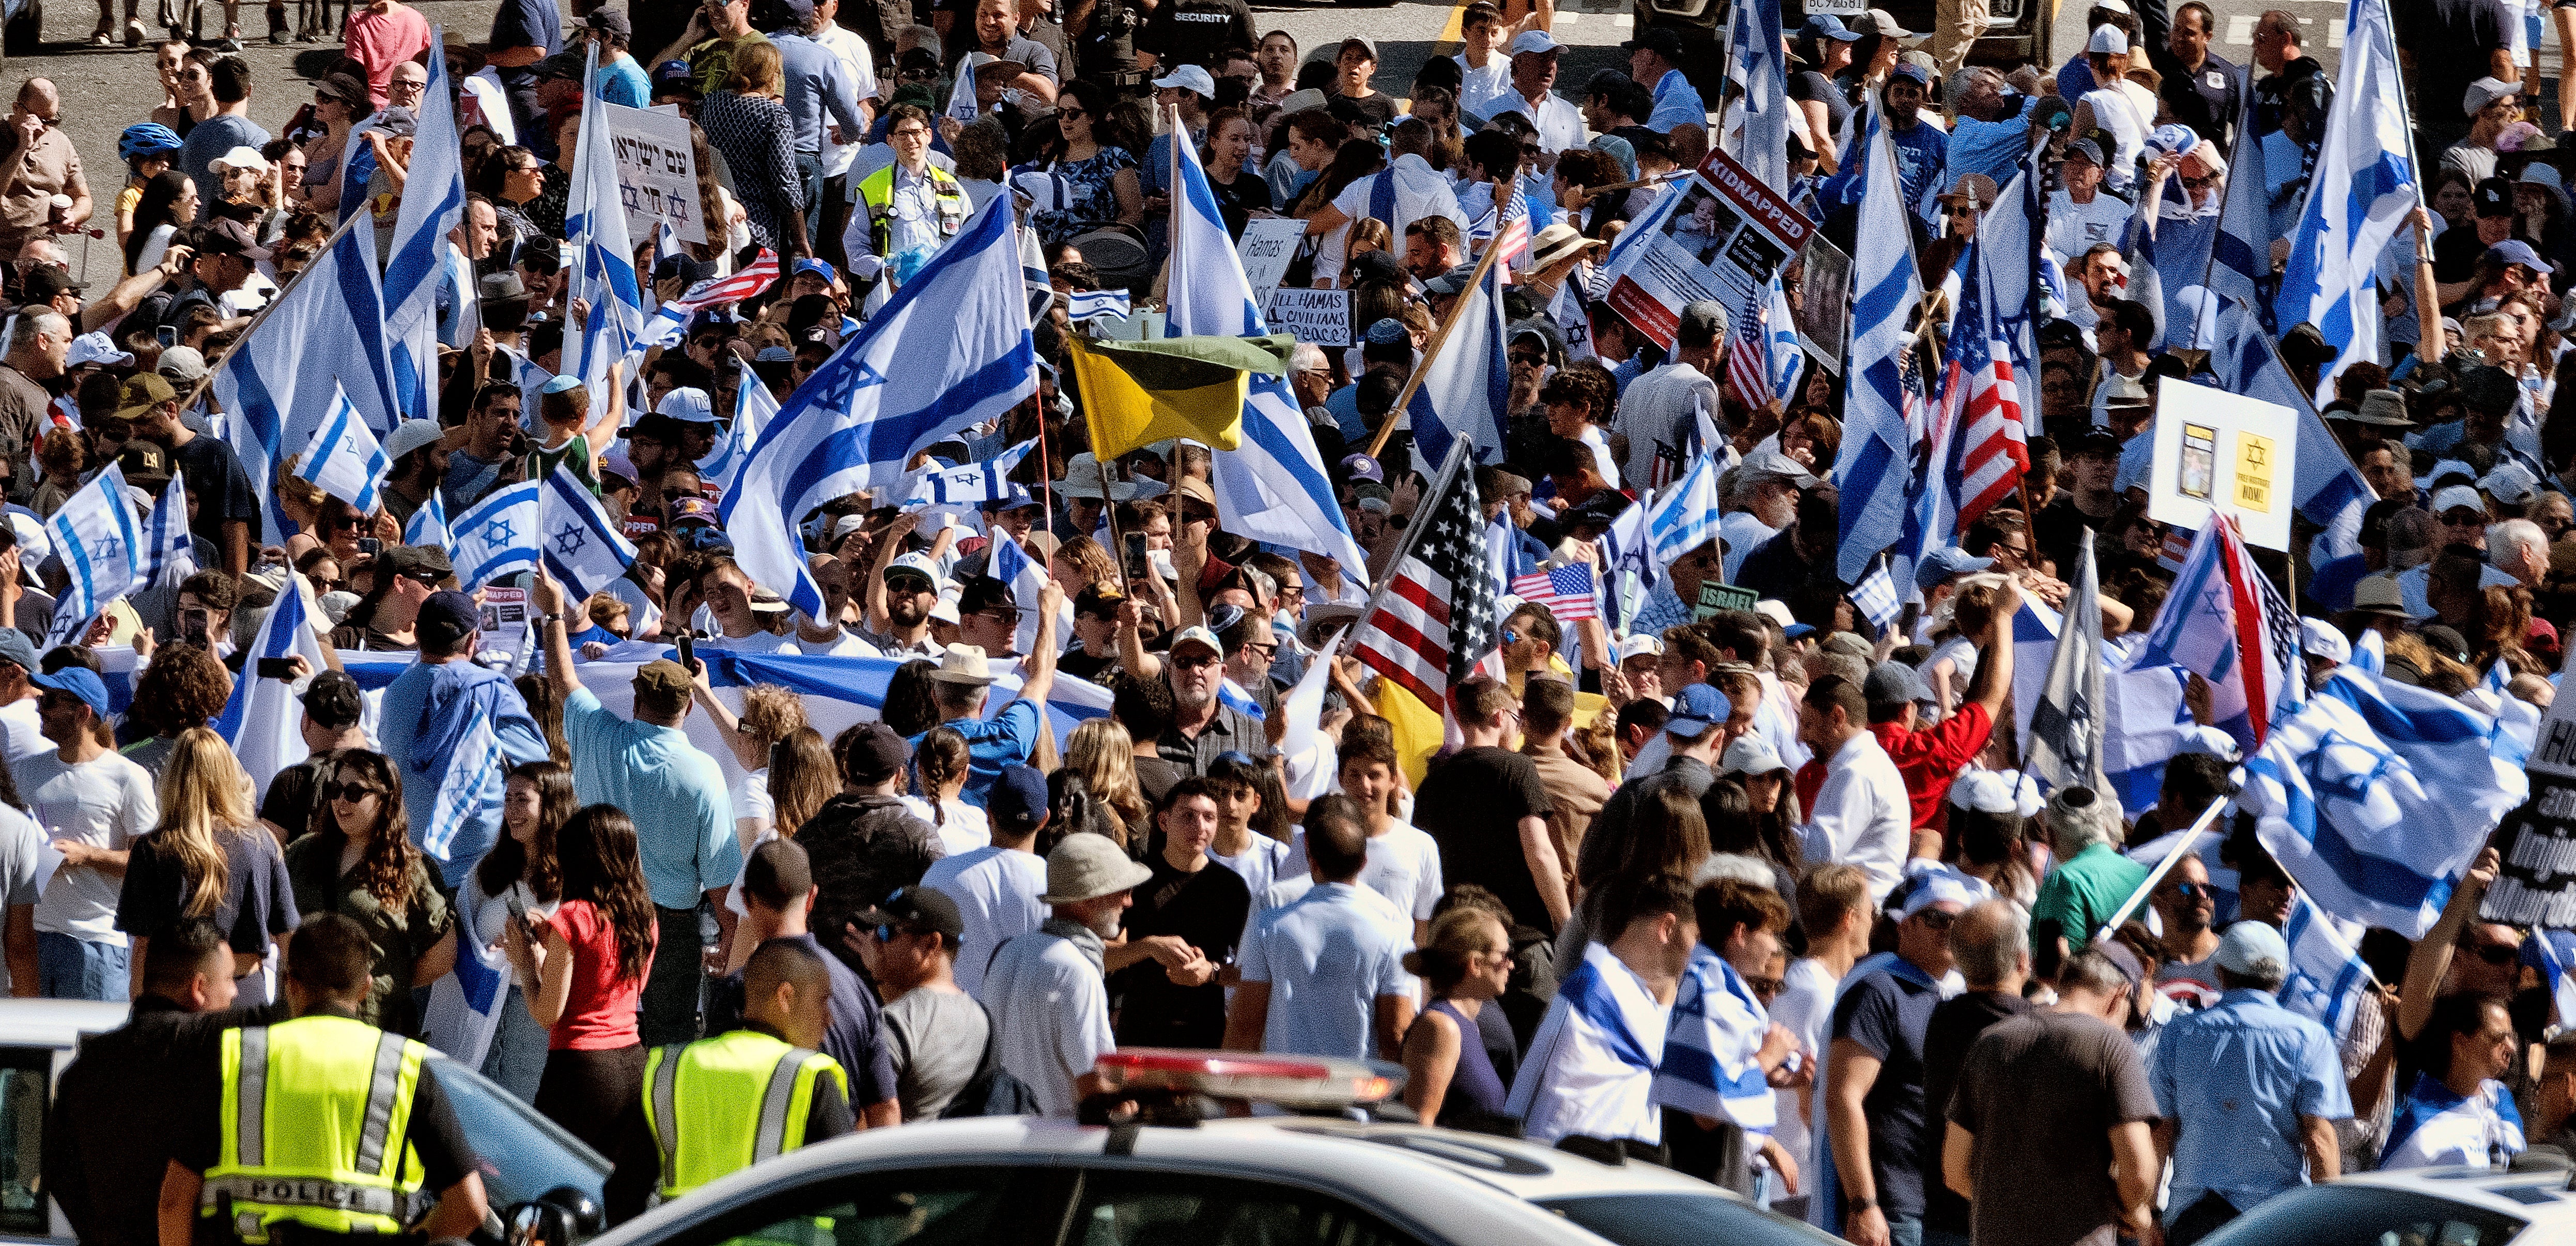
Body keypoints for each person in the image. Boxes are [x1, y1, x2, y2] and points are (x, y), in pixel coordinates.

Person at [158, 913, 489, 1245]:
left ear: (290, 984)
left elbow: (174, 1204)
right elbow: (470, 1205)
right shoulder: (401, 1066)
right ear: (366, 988)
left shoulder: (237, 1056)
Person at [535, 567, 741, 1048]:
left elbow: (562, 678)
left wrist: (552, 615)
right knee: (667, 1045)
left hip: (593, 912)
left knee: (594, 1028)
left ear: (634, 699)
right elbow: (720, 881)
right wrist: (729, 942)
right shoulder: (704, 773)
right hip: (670, 929)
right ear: (688, 708)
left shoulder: (599, 734)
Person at [601, 940, 852, 1225]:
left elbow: (622, 1194)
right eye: (822, 1001)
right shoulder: (813, 1077)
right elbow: (847, 1197)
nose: (830, 1019)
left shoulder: (671, 1068)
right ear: (785, 997)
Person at [43, 919, 250, 1246]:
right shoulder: (212, 1057)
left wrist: (103, 1233)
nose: (236, 992)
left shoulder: (83, 1072)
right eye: (229, 979)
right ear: (198, 989)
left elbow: (58, 1172)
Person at [2150, 920, 2350, 1246]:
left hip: (2194, 1219)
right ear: (2281, 978)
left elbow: (2161, 1134)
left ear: (2221, 973)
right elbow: (2319, 1139)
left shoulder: (2179, 1034)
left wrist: (2147, 1215)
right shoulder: (2309, 1039)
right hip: (2275, 1219)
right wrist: (2329, 1229)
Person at [1943, 948, 2161, 1246]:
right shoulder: (2111, 1046)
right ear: (2119, 996)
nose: (2126, 1029)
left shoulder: (1990, 1041)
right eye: (2129, 1019)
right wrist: (2133, 1212)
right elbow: (2139, 1170)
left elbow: (1955, 1170)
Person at [1811, 868, 1980, 1242]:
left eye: (1961, 921)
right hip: (1888, 1205)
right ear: (1906, 927)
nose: (1950, 930)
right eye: (1938, 919)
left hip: (1932, 1204)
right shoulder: (1878, 989)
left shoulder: (1947, 994)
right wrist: (1863, 1203)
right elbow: (1843, 1098)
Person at [704, 838, 900, 1128]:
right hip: (836, 1166)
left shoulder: (737, 993)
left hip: (766, 1167)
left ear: (745, 900)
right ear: (812, 898)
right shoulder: (856, 991)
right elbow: (885, 1110)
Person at [1507, 870, 1697, 1163]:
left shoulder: (1629, 993)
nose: (1698, 952)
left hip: (1604, 1178)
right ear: (1668, 928)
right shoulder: (1596, 993)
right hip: (1565, 1177)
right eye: (1697, 937)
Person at [508, 804, 657, 1158]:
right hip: (634, 1064)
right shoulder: (644, 915)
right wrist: (553, 946)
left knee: (551, 1181)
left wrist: (527, 964)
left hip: (580, 1071)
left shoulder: (574, 916)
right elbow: (624, 988)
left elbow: (548, 1013)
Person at [378, 590, 549, 890]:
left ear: (416, 634)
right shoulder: (493, 691)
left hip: (414, 865)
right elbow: (539, 771)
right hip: (484, 871)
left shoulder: (394, 693)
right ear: (474, 640)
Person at [1227, 795, 1415, 1062]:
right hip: (1354, 1096)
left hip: (1278, 1096)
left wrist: (1236, 1100)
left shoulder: (1268, 926)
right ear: (1364, 862)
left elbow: (1245, 1026)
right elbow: (1396, 1035)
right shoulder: (1393, 932)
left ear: (1311, 859)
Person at [285, 750, 457, 1036]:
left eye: (354, 792)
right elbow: (274, 919)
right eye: (335, 790)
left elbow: (444, 952)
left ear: (384, 799)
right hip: (299, 1016)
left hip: (368, 1025)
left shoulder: (410, 869)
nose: (341, 801)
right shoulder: (303, 852)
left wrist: (390, 981)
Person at [113, 727, 293, 996]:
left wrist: (140, 1009)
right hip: (243, 989)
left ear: (174, 777)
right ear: (229, 774)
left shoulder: (153, 848)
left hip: (175, 996)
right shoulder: (262, 843)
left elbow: (143, 945)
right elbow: (287, 935)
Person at [17, 665, 157, 999]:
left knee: (91, 1052)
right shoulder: (26, 770)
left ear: (82, 713)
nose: (39, 707)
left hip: (96, 945)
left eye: (50, 700)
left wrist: (88, 855)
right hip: (31, 939)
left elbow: (150, 867)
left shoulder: (128, 777)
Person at [984, 832, 1149, 1117]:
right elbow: (1095, 1081)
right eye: (1121, 891)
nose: (1129, 901)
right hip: (1058, 1146)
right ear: (1085, 901)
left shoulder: (1008, 953)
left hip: (1001, 1141)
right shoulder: (1076, 971)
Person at [1657, 877, 1799, 1196]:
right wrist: (1768, 1057)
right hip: (1702, 1180)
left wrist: (1784, 1076)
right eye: (1769, 934)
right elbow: (1706, 1112)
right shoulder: (1713, 998)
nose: (1776, 946)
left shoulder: (1702, 983)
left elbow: (1718, 1073)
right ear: (1740, 934)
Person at [460, 760, 571, 1102]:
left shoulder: (573, 879)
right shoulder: (488, 869)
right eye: (507, 799)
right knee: (477, 1106)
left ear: (551, 806)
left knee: (522, 1115)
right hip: (482, 1004)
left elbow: (579, 953)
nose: (511, 810)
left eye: (522, 800)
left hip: (536, 1012)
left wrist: (538, 955)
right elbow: (461, 930)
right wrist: (486, 949)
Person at [1110, 778, 1248, 1049]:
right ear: (1164, 822)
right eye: (1188, 816)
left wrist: (1212, 972)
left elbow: (1253, 971)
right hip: (1141, 1036)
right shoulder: (1134, 879)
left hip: (1204, 1036)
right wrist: (1148, 947)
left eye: (1209, 817)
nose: (1200, 827)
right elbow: (1100, 956)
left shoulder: (1231, 889)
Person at [855, 884, 989, 1120]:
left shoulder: (896, 1023)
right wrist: (881, 973)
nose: (876, 941)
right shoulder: (982, 1016)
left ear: (931, 945)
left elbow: (870, 1120)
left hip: (907, 1156)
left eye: (887, 931)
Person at [919, 763, 1049, 1002]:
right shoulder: (1059, 888)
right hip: (1027, 1030)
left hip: (955, 1029)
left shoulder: (942, 874)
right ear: (1044, 819)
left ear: (988, 814)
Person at [1399, 904, 1517, 1133]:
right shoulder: (1441, 1027)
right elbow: (1419, 1126)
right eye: (1505, 955)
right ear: (1475, 964)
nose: (1511, 965)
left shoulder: (1469, 1024)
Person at [1797, 673, 1911, 905]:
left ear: (1837, 717)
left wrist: (1766, 829)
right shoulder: (1861, 765)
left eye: (1808, 724)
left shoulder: (1858, 771)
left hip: (1856, 910)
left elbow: (1821, 852)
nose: (1801, 736)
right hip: (1854, 905)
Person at [2380, 992, 2525, 1170]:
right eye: (2497, 1038)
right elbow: (2386, 1191)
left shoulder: (2500, 1096)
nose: (2512, 1047)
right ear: (2460, 1042)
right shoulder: (2421, 1131)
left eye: (2511, 1037)